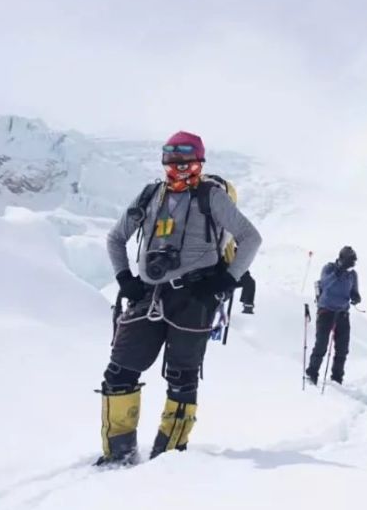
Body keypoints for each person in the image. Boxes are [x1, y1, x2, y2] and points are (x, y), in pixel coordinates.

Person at [97, 131, 262, 466]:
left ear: (199, 162)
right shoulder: (149, 196)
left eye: (184, 161)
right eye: (171, 161)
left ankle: (168, 459)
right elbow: (116, 238)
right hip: (148, 295)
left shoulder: (211, 197)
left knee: (181, 377)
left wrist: (224, 282)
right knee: (119, 372)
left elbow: (250, 238)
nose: (177, 167)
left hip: (194, 297)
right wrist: (125, 279)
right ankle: (119, 453)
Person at [305, 246, 361, 386]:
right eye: (350, 261)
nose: (352, 265)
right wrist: (339, 270)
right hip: (326, 311)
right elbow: (325, 283)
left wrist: (356, 296)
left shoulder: (352, 275)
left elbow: (354, 291)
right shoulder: (329, 268)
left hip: (342, 313)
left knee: (342, 348)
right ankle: (312, 374)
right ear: (342, 259)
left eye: (353, 262)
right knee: (321, 345)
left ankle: (337, 379)